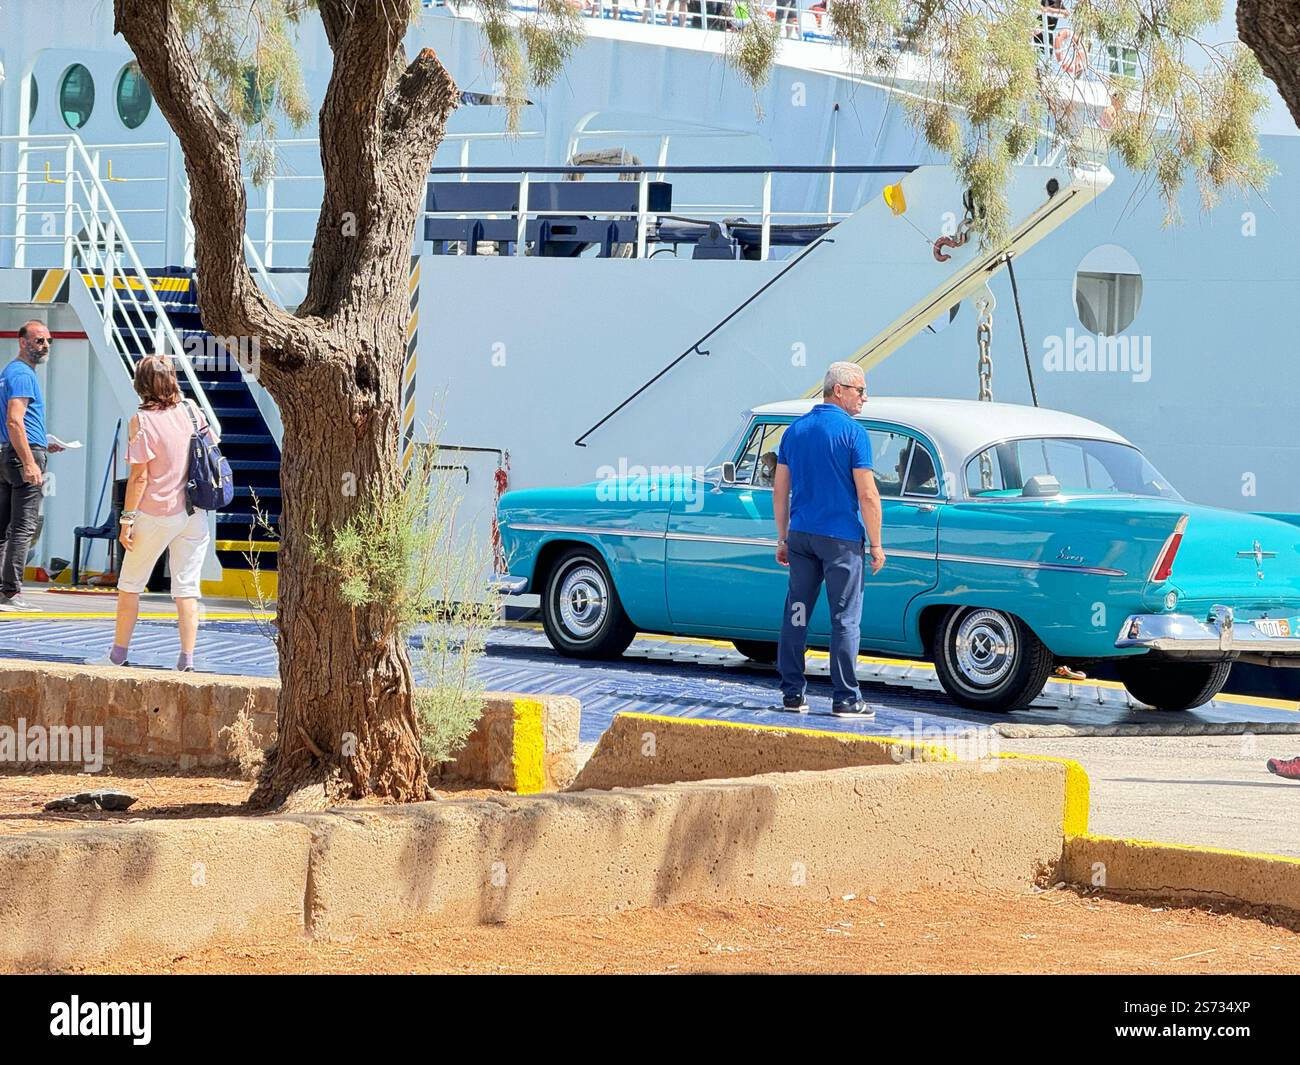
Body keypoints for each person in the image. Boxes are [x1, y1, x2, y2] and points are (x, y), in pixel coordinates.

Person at [773, 361, 885, 718]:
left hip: (801, 537)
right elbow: (867, 495)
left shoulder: (794, 431)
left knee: (797, 613)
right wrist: (877, 543)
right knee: (845, 619)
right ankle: (846, 699)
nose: (865, 398)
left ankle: (792, 694)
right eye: (860, 391)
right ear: (839, 390)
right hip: (840, 541)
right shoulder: (854, 434)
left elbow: (780, 490)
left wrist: (782, 538)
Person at [97, 355, 215, 670]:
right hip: (194, 513)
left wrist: (126, 519)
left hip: (156, 512)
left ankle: (117, 656)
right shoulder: (192, 410)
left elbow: (139, 477)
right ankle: (186, 661)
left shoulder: (141, 420)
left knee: (130, 585)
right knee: (187, 588)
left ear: (142, 384)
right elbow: (211, 450)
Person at [0, 320, 65, 611]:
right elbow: (15, 419)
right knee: (23, 527)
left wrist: (42, 440)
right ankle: (11, 592)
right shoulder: (23, 375)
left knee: (3, 528)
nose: (45, 346)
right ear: (23, 342)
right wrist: (29, 460)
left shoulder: (9, 373)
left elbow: (14, 424)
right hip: (21, 457)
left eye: (48, 340)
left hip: (7, 453)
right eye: (39, 340)